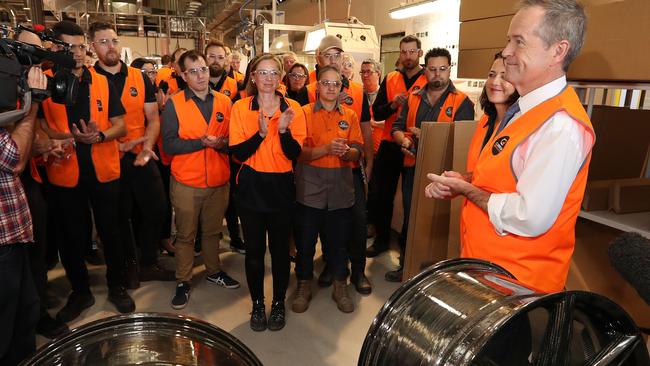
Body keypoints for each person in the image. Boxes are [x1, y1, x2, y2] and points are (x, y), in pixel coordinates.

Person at [425, 0, 594, 294]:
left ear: (558, 51)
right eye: (508, 41)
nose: (506, 52)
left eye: (519, 42)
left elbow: (529, 216)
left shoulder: (560, 125)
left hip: (519, 292)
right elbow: (506, 179)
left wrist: (468, 190)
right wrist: (465, 180)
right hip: (489, 278)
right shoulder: (524, 113)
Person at [40, 20, 134, 322]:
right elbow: (36, 127)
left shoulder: (102, 81)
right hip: (64, 171)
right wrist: (65, 138)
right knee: (71, 236)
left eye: (81, 46)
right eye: (69, 47)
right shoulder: (42, 82)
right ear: (55, 48)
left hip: (104, 169)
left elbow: (121, 124)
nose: (77, 53)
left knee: (113, 231)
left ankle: (117, 286)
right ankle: (80, 291)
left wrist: (101, 136)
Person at [89, 22, 174, 287]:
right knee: (117, 218)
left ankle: (148, 262)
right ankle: (127, 265)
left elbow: (153, 118)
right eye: (103, 42)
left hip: (140, 153)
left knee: (157, 209)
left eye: (114, 40)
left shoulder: (138, 77)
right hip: (107, 157)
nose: (110, 46)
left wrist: (148, 144)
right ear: (93, 46)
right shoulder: (88, 80)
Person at [230, 53, 306, 331]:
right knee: (254, 251)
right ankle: (258, 304)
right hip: (251, 186)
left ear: (280, 77)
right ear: (253, 76)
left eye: (274, 73)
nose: (268, 78)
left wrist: (283, 131)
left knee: (280, 252)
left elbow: (294, 153)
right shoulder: (240, 108)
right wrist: (260, 135)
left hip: (281, 188)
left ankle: (277, 305)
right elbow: (237, 153)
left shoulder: (293, 107)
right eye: (263, 73)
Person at [161, 50, 240, 310]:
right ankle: (183, 280)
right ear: (183, 76)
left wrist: (221, 144)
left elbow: (233, 143)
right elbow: (170, 145)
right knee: (185, 236)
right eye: (193, 71)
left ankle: (214, 270)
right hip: (187, 183)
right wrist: (200, 143)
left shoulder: (224, 102)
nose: (201, 75)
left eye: (203, 69)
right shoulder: (174, 104)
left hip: (218, 182)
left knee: (213, 232)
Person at [389, 47, 475, 282]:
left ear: (449, 70)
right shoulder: (414, 97)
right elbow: (396, 128)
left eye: (442, 69)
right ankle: (407, 266)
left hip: (444, 175)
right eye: (433, 69)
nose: (437, 74)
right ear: (425, 70)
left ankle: (436, 274)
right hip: (412, 168)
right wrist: (404, 139)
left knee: (438, 223)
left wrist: (427, 136)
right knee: (411, 217)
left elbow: (462, 142)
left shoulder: (461, 102)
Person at [293, 65, 364, 314]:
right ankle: (303, 285)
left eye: (336, 84)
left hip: (340, 190)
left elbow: (358, 150)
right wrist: (326, 149)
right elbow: (297, 153)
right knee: (305, 243)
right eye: (326, 83)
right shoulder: (302, 113)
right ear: (317, 86)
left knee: (339, 244)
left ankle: (340, 286)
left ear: (342, 87)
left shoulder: (351, 116)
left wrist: (348, 153)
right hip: (309, 188)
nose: (331, 88)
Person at [306, 35, 373, 294]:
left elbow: (366, 131)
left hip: (349, 169)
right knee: (325, 222)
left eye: (338, 55)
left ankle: (357, 270)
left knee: (357, 220)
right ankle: (331, 266)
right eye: (328, 55)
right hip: (317, 171)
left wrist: (369, 162)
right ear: (318, 59)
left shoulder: (356, 90)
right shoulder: (307, 89)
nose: (333, 60)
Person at [16, 27, 70, 340]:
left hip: (29, 182)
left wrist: (50, 143)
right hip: (12, 177)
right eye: (28, 52)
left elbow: (37, 135)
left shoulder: (33, 83)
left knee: (36, 254)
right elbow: (19, 152)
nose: (34, 60)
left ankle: (36, 312)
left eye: (38, 53)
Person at [0, 62, 47, 366]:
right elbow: (14, 159)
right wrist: (32, 104)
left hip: (10, 237)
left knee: (24, 310)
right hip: (2, 244)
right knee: (6, 323)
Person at [365, 35, 427, 258]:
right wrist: (393, 104)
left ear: (419, 53)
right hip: (390, 145)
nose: (407, 56)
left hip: (417, 145)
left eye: (412, 52)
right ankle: (381, 240)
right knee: (382, 195)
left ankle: (406, 248)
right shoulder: (391, 78)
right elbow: (378, 112)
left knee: (413, 199)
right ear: (399, 54)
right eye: (404, 52)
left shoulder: (428, 78)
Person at [467, 53, 519, 172]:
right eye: (491, 75)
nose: (495, 82)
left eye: (504, 76)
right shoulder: (485, 120)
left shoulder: (520, 124)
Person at [359, 59, 384, 163]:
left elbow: (394, 123)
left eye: (368, 71)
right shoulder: (357, 94)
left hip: (381, 152)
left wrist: (373, 124)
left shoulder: (385, 94)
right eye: (362, 72)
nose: (365, 75)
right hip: (361, 151)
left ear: (378, 74)